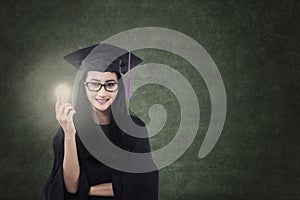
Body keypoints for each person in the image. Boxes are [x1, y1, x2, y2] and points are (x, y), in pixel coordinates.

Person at [43, 43, 159, 200]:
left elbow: (144, 184)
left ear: (119, 87)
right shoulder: (70, 125)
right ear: (84, 86)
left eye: (110, 84)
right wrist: (69, 134)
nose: (102, 92)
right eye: (94, 84)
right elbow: (69, 187)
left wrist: (89, 190)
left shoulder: (135, 128)